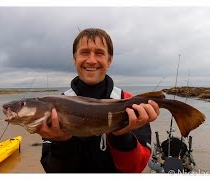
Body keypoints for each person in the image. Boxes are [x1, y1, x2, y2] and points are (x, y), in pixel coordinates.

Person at [36, 28, 159, 173]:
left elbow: (135, 169)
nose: (91, 60)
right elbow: (52, 171)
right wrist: (62, 141)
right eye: (84, 52)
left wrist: (122, 135)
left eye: (99, 53)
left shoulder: (131, 104)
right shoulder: (53, 107)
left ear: (109, 60)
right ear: (74, 59)